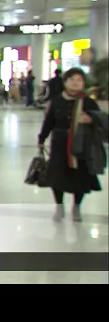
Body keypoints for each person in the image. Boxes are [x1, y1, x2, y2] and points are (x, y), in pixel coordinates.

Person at [38, 68, 103, 221]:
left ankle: (77, 207)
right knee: (57, 176)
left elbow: (101, 121)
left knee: (80, 177)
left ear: (83, 84)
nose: (75, 83)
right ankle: (59, 206)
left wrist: (91, 120)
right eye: (72, 80)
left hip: (81, 145)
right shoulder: (56, 101)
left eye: (79, 80)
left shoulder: (89, 103)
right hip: (60, 144)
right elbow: (49, 122)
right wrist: (41, 139)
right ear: (65, 82)